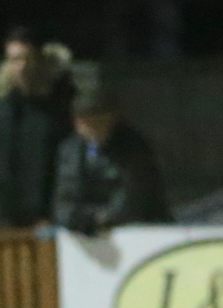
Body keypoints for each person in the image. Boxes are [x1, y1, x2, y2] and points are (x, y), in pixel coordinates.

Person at [52, 88, 172, 233]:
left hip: (134, 232)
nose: (94, 131)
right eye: (87, 124)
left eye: (100, 123)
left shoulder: (133, 147)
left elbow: (133, 196)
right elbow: (64, 198)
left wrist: (103, 218)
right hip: (83, 236)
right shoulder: (70, 151)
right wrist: (79, 219)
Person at [0, 29, 76, 227]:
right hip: (14, 214)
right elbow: (2, 161)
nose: (20, 67)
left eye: (25, 58)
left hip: (53, 212)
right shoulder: (4, 103)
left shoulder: (59, 100)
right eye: (13, 60)